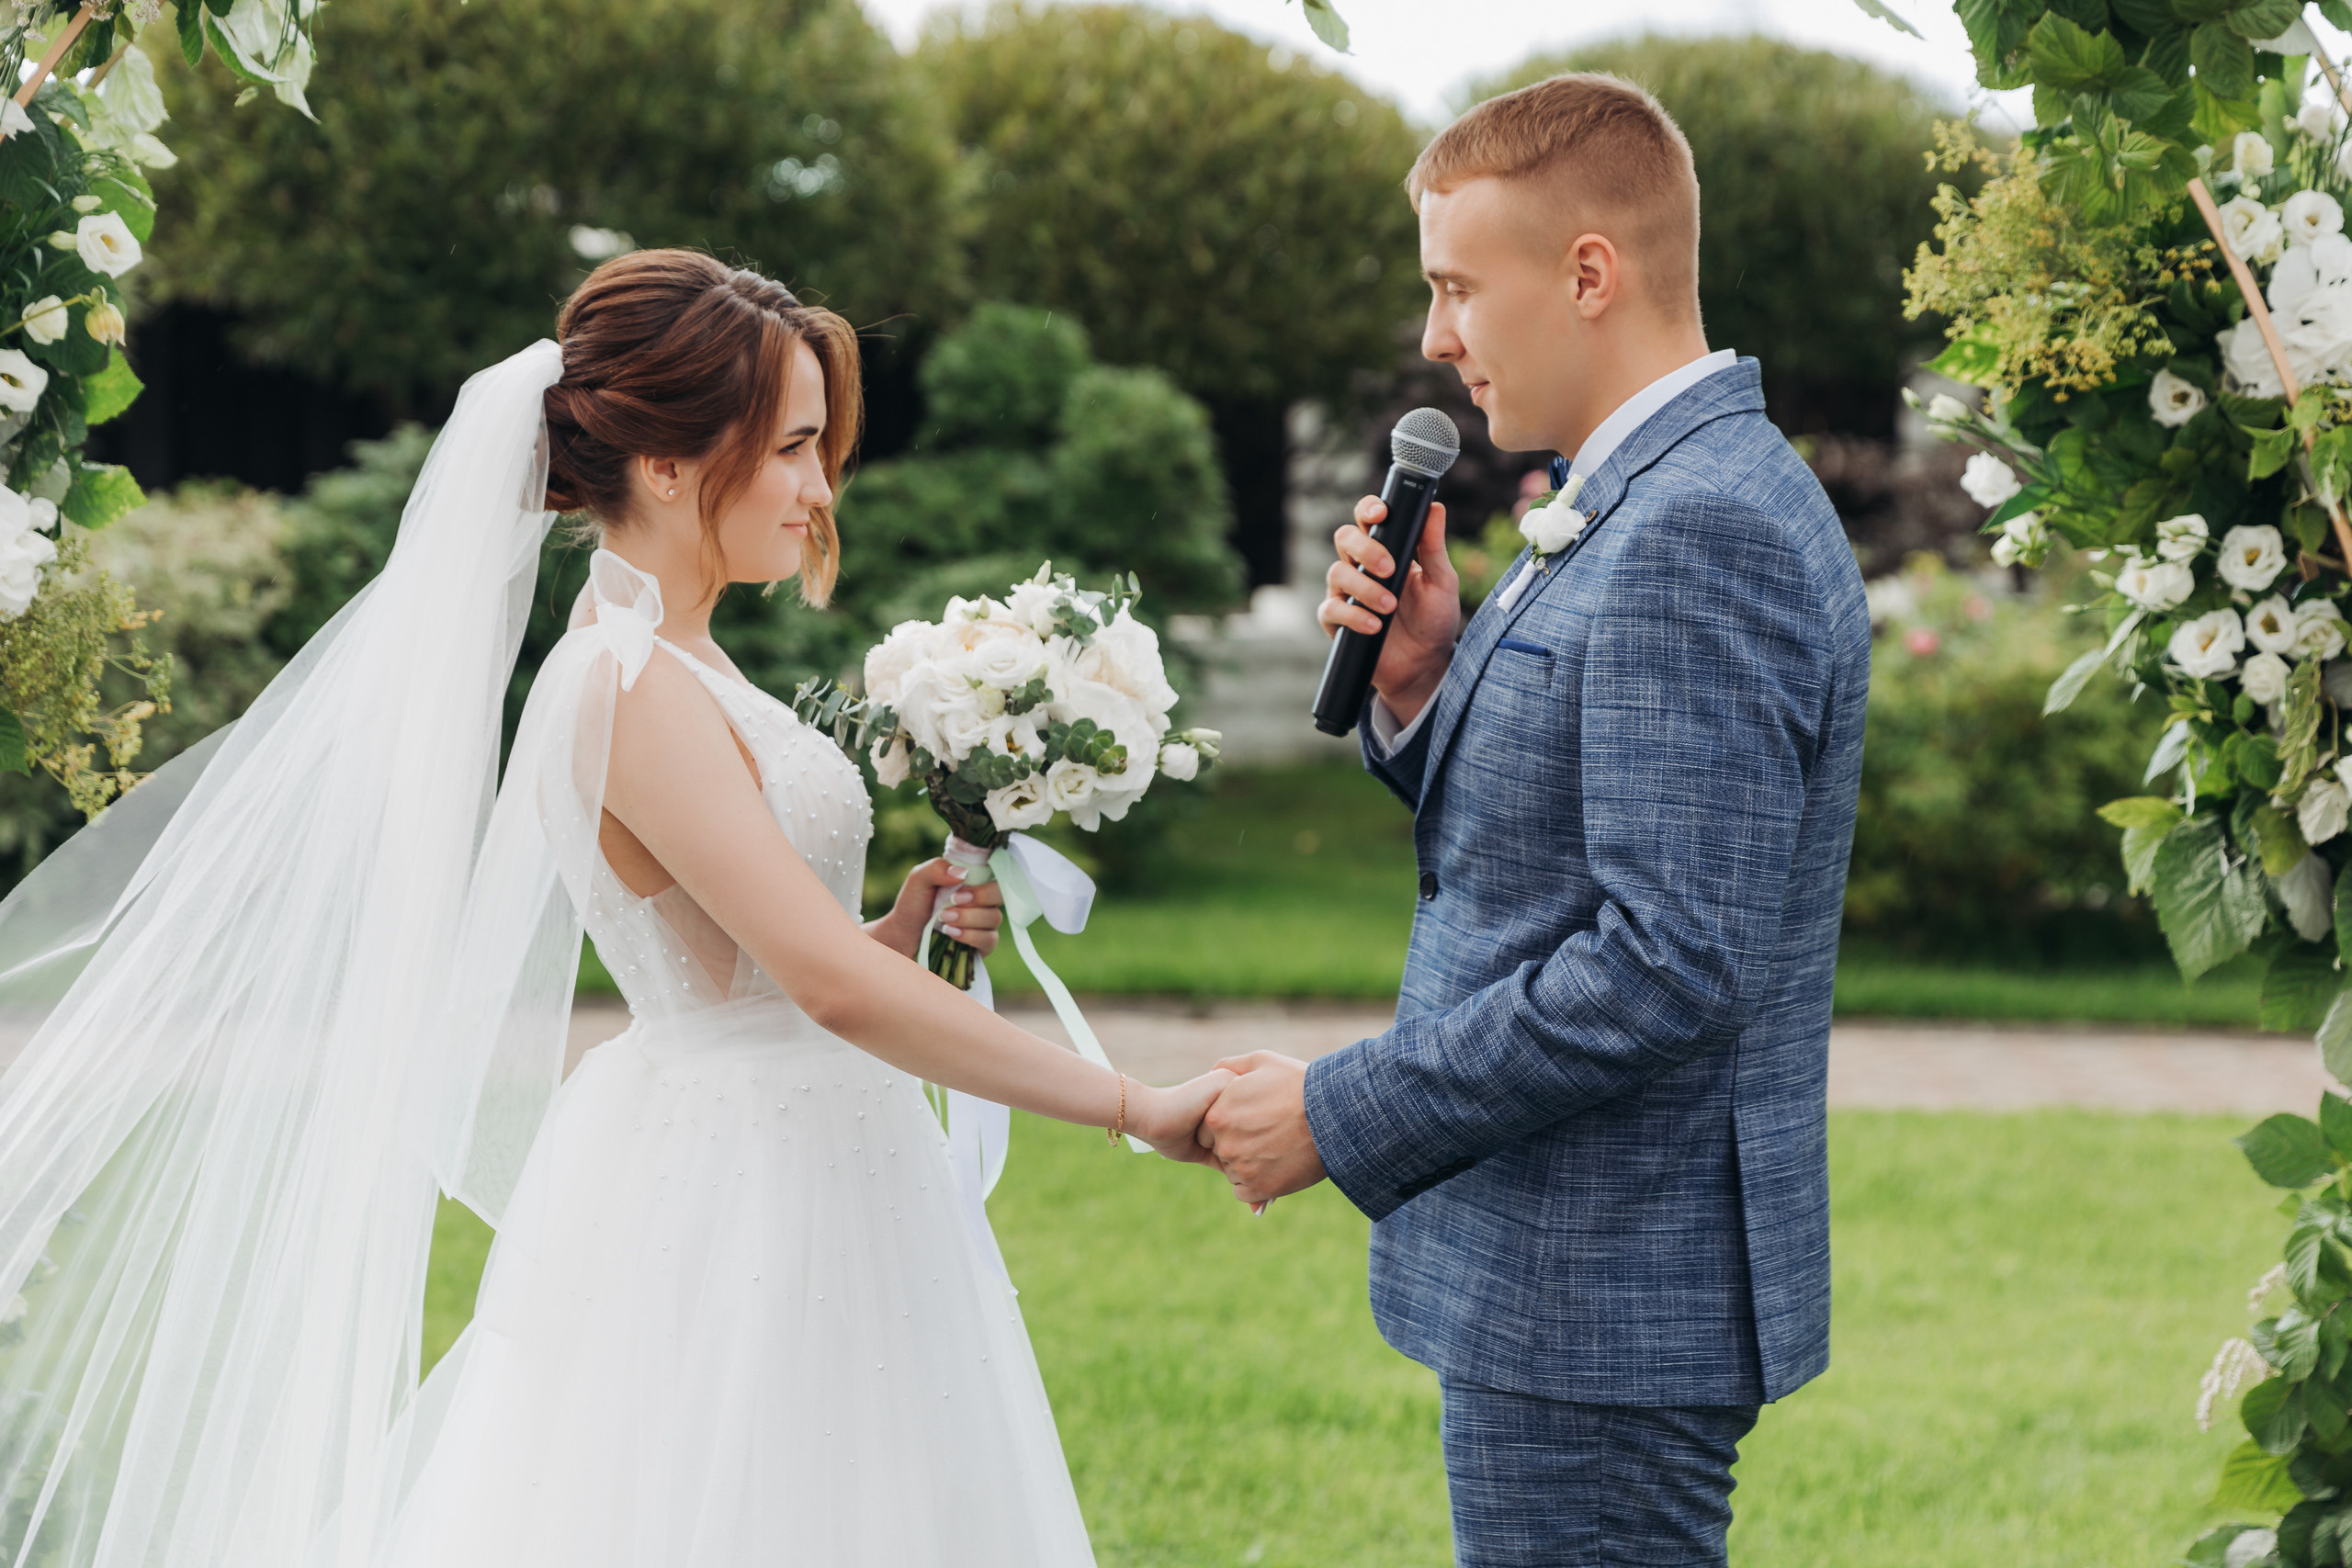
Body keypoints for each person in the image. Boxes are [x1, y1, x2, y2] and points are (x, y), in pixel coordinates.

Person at [0, 250, 1227, 1566]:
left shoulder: (685, 660)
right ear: (664, 463)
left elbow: (756, 975)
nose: (820, 491)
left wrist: (898, 925)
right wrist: (1131, 1103)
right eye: (795, 448)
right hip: (748, 1185)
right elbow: (818, 991)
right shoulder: (625, 682)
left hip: (813, 1148)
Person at [1197, 74, 1871, 1566]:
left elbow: (1667, 960)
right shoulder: (1636, 494)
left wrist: (1337, 1110)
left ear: (1587, 274)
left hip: (1610, 1287)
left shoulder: (1698, 526)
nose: (1437, 337)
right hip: (1570, 1275)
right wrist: (1427, 679)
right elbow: (1560, 836)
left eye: (1454, 287)